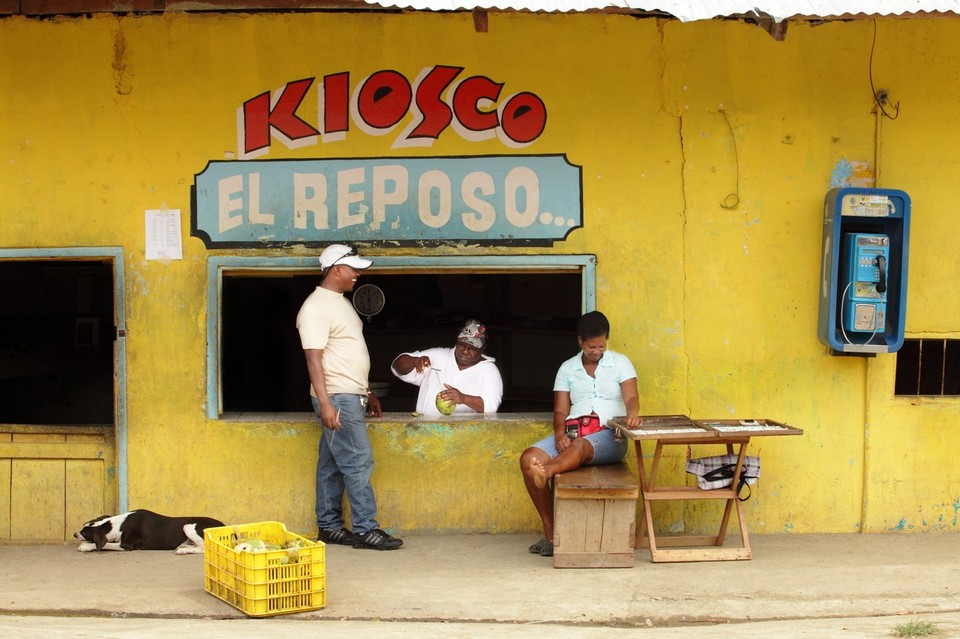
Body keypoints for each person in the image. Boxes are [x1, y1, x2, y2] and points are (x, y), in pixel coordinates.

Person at [296, 244, 403, 551]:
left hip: (347, 394)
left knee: (331, 464)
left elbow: (344, 353)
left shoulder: (338, 303)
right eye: (354, 269)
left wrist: (367, 391)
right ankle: (366, 528)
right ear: (337, 269)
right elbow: (313, 360)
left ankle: (328, 526)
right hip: (337, 398)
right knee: (357, 461)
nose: (358, 274)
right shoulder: (316, 307)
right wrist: (326, 403)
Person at [519, 311, 640, 558]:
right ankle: (551, 532)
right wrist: (559, 434)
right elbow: (560, 409)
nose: (597, 351)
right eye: (592, 346)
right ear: (580, 342)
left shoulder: (620, 362)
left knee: (580, 447)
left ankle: (548, 472)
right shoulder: (567, 369)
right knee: (527, 458)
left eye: (602, 345)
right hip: (574, 431)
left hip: (610, 435)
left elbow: (631, 397)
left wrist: (633, 413)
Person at [390, 319, 504, 416]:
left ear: (483, 348)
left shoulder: (489, 370)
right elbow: (396, 367)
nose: (465, 350)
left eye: (472, 348)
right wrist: (414, 361)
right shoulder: (437, 355)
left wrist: (463, 398)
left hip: (464, 436)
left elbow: (491, 406)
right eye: (462, 345)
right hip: (424, 431)